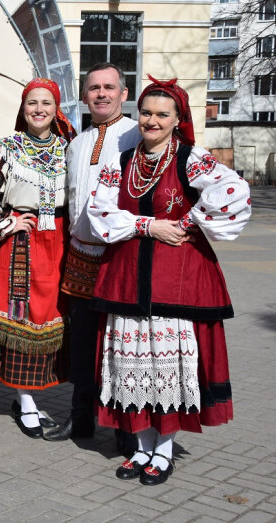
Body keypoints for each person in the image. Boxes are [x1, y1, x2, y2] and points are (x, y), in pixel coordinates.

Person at [87, 76, 249, 485]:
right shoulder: (122, 161)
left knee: (169, 367)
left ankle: (163, 452)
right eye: (146, 112)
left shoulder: (190, 159)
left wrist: (191, 219)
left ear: (178, 119)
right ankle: (140, 449)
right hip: (126, 277)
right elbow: (100, 214)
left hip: (175, 281)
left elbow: (234, 190)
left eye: (162, 114)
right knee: (128, 366)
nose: (152, 120)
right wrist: (150, 226)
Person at [0, 78, 75, 438]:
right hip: (22, 243)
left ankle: (44, 395)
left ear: (56, 109)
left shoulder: (70, 148)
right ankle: (25, 400)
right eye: (32, 103)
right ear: (22, 109)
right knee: (21, 314)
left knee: (57, 314)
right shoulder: (6, 148)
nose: (39, 109)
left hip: (61, 239)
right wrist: (2, 219)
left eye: (46, 103)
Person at [43, 63, 141, 443]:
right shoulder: (76, 143)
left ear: (124, 94)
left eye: (109, 87)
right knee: (82, 344)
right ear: (85, 96)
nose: (101, 94)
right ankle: (80, 419)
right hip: (80, 256)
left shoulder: (136, 135)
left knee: (121, 345)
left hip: (120, 256)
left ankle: (125, 429)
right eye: (94, 88)